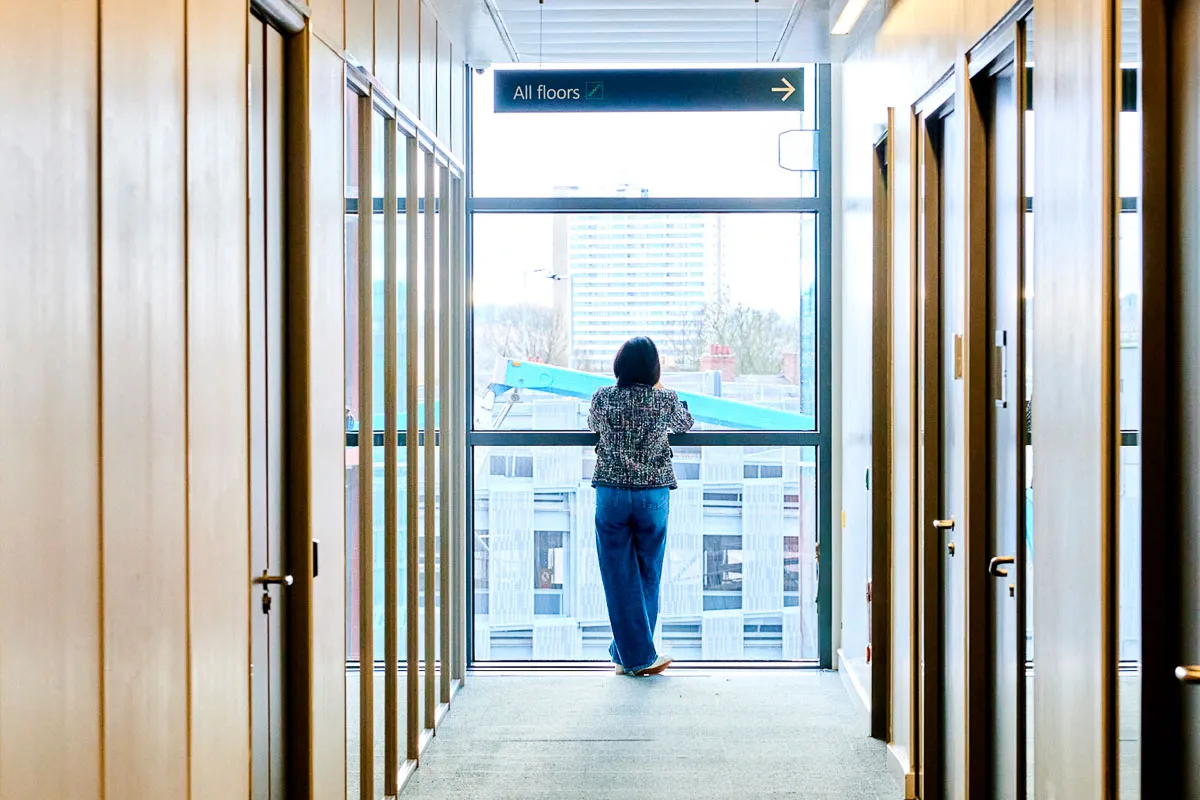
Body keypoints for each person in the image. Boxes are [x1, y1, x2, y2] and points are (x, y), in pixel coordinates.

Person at [588, 336, 694, 677]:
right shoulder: (664, 400)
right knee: (649, 572)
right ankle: (636, 658)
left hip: (611, 492)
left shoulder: (604, 397)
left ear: (618, 366)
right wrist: (660, 387)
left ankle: (626, 653)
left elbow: (593, 426)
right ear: (654, 369)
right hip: (652, 493)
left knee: (618, 575)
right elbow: (684, 424)